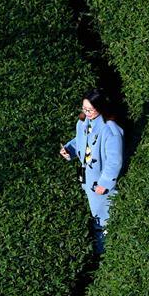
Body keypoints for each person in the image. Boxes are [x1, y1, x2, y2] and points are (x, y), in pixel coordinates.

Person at [60, 88, 124, 254]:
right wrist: (69, 150)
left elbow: (114, 160)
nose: (86, 112)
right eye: (84, 108)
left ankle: (107, 252)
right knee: (97, 214)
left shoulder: (110, 130)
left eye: (90, 109)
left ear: (100, 107)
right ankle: (103, 249)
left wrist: (104, 183)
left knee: (104, 217)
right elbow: (79, 141)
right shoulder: (83, 123)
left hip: (100, 184)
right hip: (88, 180)